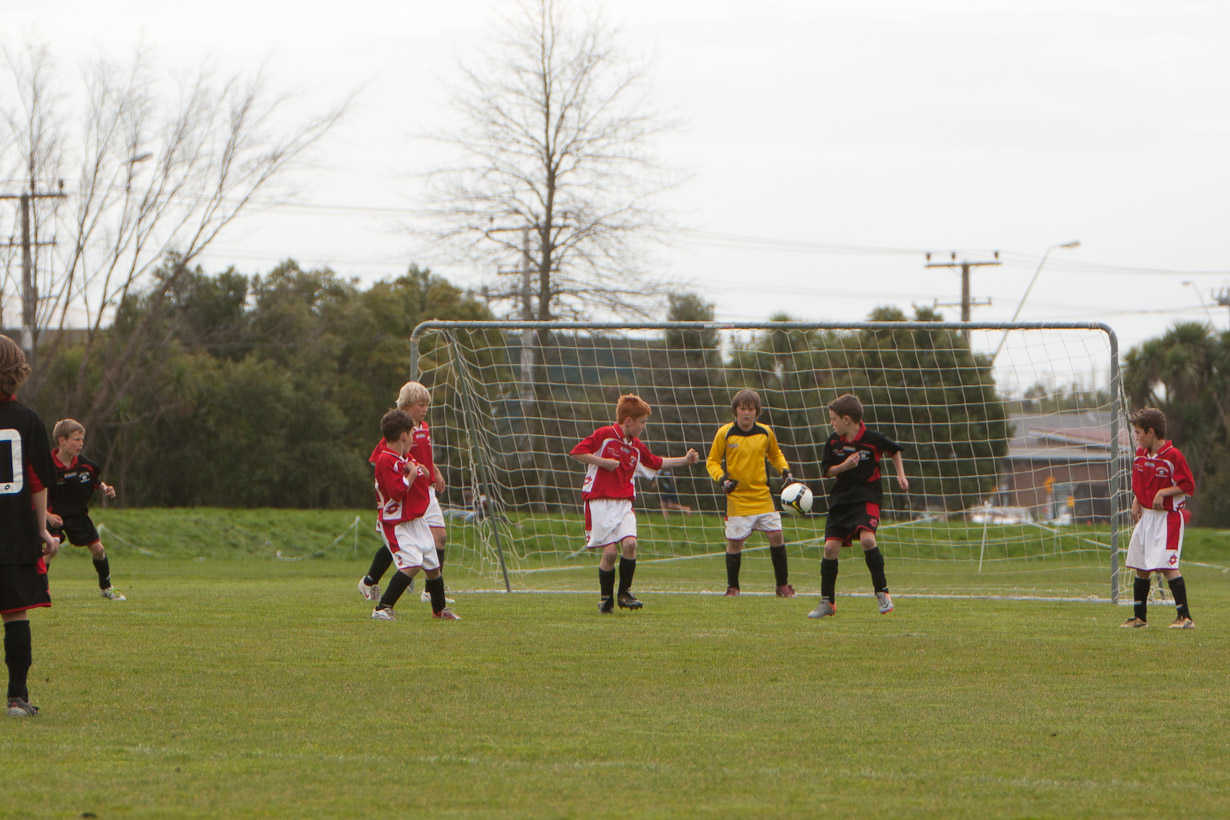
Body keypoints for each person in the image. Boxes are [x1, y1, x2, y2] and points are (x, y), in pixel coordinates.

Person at [570, 393, 699, 613]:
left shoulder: (636, 446)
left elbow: (656, 462)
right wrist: (603, 462)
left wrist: (684, 460)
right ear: (628, 421)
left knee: (630, 544)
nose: (644, 427)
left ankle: (625, 593)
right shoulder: (605, 435)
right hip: (599, 502)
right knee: (610, 553)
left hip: (624, 504)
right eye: (642, 422)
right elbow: (577, 452)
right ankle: (606, 599)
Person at [0, 335, 59, 717]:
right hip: (13, 533)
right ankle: (16, 698)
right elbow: (37, 481)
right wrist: (42, 529)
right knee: (15, 613)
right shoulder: (28, 420)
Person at [809, 393, 908, 619]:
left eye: (833, 419)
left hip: (867, 498)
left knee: (867, 540)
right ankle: (827, 602)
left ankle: (882, 592)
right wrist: (844, 466)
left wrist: (900, 475)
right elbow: (827, 471)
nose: (831, 423)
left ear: (846, 419)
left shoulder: (872, 439)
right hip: (840, 500)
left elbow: (894, 451)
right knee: (830, 549)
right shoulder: (833, 442)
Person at [358, 382, 452, 606]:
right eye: (421, 404)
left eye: (427, 404)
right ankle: (371, 583)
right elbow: (385, 461)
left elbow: (424, 458)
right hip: (407, 496)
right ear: (408, 405)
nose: (426, 409)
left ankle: (430, 593)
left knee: (438, 538)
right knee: (402, 545)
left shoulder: (424, 427)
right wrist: (400, 479)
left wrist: (435, 473)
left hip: (425, 491)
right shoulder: (397, 433)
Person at [706, 388, 797, 597]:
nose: (746, 413)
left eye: (750, 409)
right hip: (737, 498)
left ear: (757, 411)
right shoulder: (725, 433)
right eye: (742, 408)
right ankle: (733, 588)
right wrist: (722, 479)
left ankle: (782, 586)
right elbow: (712, 462)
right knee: (734, 542)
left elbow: (775, 455)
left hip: (763, 496)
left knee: (776, 535)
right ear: (735, 411)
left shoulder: (765, 432)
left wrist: (785, 471)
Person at [370, 409, 459, 621]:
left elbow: (419, 473)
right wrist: (412, 473)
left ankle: (439, 610)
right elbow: (397, 491)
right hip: (397, 523)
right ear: (403, 436)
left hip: (416, 520)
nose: (413, 437)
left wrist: (422, 471)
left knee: (432, 565)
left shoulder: (404, 456)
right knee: (411, 564)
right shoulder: (386, 459)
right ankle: (382, 608)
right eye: (411, 433)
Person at [1121, 407, 1196, 629]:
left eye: (1138, 432)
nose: (1136, 437)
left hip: (1167, 519)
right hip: (1147, 517)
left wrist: (1164, 492)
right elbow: (1142, 483)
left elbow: (1188, 486)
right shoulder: (1141, 455)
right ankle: (1139, 618)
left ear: (1151, 432)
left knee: (1166, 565)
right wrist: (1137, 500)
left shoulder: (1173, 456)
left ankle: (1185, 617)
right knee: (1141, 565)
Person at [46, 419, 124, 601]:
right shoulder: (46, 466)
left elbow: (93, 479)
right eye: (76, 439)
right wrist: (48, 516)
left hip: (76, 514)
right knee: (51, 548)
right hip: (52, 515)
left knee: (98, 550)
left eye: (82, 439)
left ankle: (106, 588)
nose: (81, 443)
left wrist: (104, 487)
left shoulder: (85, 464)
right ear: (62, 441)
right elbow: (35, 492)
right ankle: (40, 589)